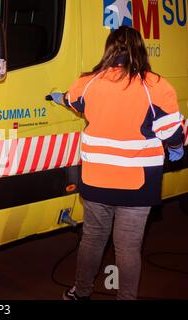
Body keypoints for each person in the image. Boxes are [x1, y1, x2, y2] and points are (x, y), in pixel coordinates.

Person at [49, 26, 185, 300]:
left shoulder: (88, 82)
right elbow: (171, 132)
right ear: (140, 49)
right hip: (137, 186)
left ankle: (81, 292)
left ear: (109, 49)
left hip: (97, 181)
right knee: (128, 248)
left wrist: (59, 98)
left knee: (92, 239)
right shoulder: (156, 86)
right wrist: (176, 149)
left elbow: (73, 101)